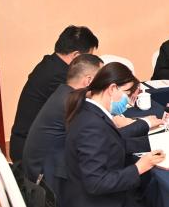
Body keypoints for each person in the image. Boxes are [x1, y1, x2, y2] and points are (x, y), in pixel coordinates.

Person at [62, 62, 165, 207]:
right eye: (127, 94)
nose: (128, 102)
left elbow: (116, 144)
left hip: (99, 206)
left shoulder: (90, 112)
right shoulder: (91, 125)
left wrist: (158, 142)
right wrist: (140, 167)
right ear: (111, 88)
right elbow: (96, 182)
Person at [23, 56, 160, 196]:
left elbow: (106, 137)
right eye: (102, 76)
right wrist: (145, 124)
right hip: (51, 182)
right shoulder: (74, 104)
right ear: (89, 80)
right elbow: (105, 137)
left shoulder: (65, 93)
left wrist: (149, 136)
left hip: (49, 167)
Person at [10, 25, 99, 163]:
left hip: (27, 141)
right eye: (89, 57)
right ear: (76, 55)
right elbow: (85, 106)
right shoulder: (60, 76)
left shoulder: (51, 63)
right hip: (31, 153)